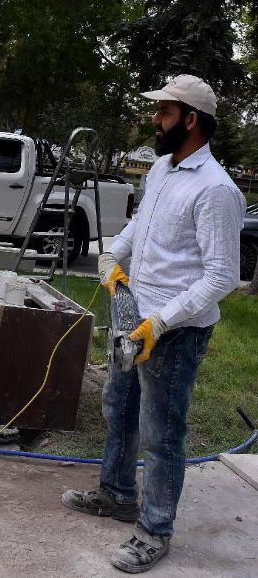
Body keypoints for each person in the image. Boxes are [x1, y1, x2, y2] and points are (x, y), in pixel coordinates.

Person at [62, 74, 246, 573]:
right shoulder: (162, 169)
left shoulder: (217, 191)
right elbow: (141, 226)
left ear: (191, 120)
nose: (154, 121)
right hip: (133, 313)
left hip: (176, 331)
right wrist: (112, 259)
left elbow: (222, 276)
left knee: (162, 432)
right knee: (119, 406)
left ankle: (155, 529)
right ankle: (118, 494)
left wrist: (160, 323)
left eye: (163, 113)